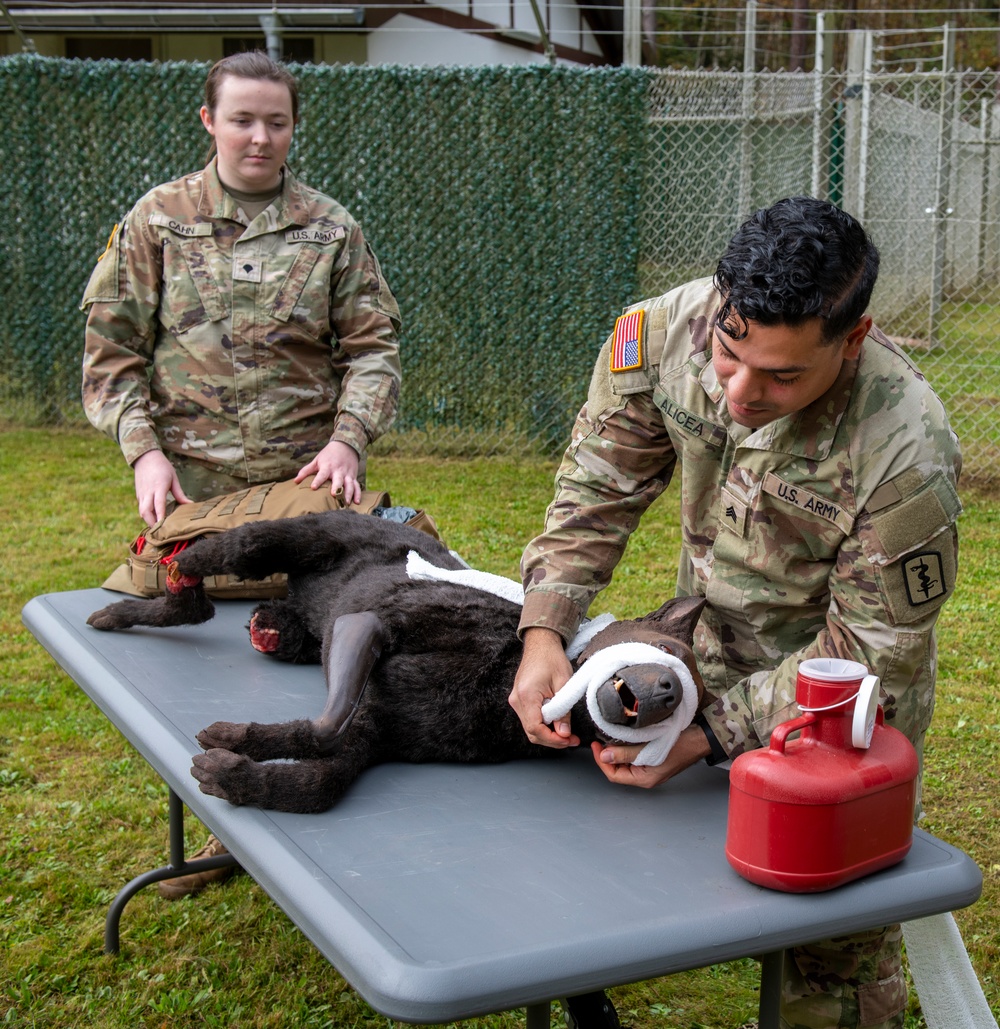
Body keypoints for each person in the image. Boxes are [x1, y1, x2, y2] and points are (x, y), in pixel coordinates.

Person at [509, 196, 961, 1029]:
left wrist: (713, 735)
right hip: (706, 639)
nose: (741, 392)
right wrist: (544, 627)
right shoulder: (658, 336)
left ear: (852, 340)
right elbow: (595, 494)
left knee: (833, 934)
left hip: (834, 710)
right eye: (729, 353)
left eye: (783, 375)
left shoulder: (904, 448)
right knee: (623, 836)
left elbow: (868, 658)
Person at [80, 51, 402, 898]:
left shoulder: (331, 229)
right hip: (197, 494)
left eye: (277, 120)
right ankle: (206, 824)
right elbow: (111, 356)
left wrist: (349, 441)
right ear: (209, 121)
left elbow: (373, 352)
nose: (260, 136)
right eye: (243, 118)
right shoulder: (157, 221)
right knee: (185, 662)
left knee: (307, 648)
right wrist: (144, 449)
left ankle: (292, 814)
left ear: (294, 126)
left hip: (310, 498)